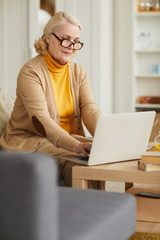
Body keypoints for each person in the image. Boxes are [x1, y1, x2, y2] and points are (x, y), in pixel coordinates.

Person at [0, 11, 104, 189]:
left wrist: (104, 138)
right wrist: (75, 146)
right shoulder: (31, 72)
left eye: (76, 41)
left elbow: (90, 109)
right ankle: (80, 215)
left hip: (68, 138)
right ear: (48, 38)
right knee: (78, 162)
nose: (71, 46)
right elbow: (42, 120)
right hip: (31, 139)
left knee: (100, 156)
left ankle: (101, 212)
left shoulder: (79, 72)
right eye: (65, 39)